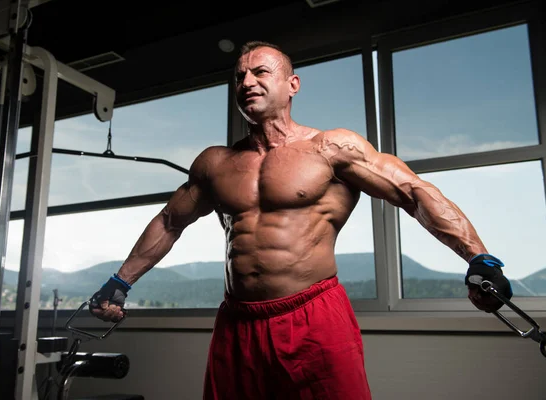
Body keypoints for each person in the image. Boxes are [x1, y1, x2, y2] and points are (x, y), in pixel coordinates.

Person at [89, 41, 513, 399]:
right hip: (237, 323)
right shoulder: (215, 163)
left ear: (292, 85)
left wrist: (479, 258)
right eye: (239, 77)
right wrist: (120, 282)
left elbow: (413, 192)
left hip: (312, 315)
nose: (247, 82)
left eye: (259, 72)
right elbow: (169, 221)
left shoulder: (330, 148)